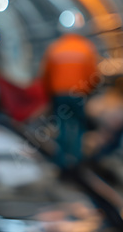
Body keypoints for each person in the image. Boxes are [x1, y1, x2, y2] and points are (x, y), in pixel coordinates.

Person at [40, 32, 100, 170]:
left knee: (62, 124)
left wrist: (49, 93)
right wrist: (89, 90)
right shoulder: (86, 47)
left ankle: (61, 160)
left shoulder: (55, 47)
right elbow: (93, 73)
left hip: (59, 93)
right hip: (79, 93)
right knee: (78, 125)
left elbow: (46, 74)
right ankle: (76, 160)